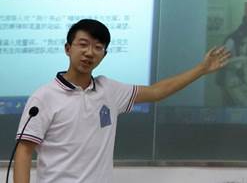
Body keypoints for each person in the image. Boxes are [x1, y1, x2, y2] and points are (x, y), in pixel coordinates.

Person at [11, 19, 230, 183]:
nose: (89, 53)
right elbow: (24, 151)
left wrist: (201, 69)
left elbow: (156, 92)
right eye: (83, 44)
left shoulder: (109, 90)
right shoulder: (44, 96)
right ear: (68, 49)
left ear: (104, 55)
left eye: (98, 47)